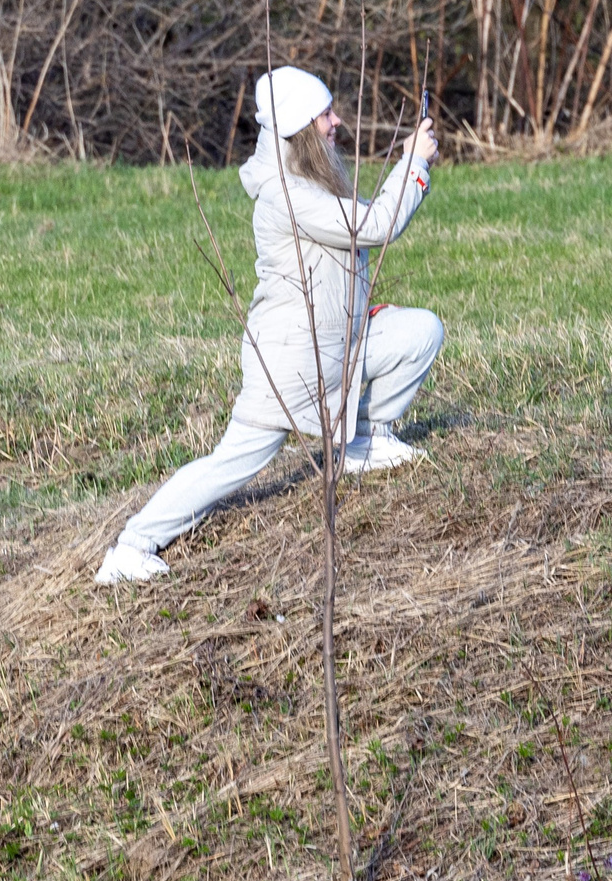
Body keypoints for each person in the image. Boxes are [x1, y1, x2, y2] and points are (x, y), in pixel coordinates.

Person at [95, 67, 442, 584]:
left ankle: (363, 442)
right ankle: (133, 546)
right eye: (325, 115)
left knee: (420, 332)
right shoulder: (288, 193)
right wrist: (412, 163)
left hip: (335, 347)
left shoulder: (305, 178)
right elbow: (370, 227)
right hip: (289, 363)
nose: (336, 122)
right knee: (233, 464)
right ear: (301, 127)